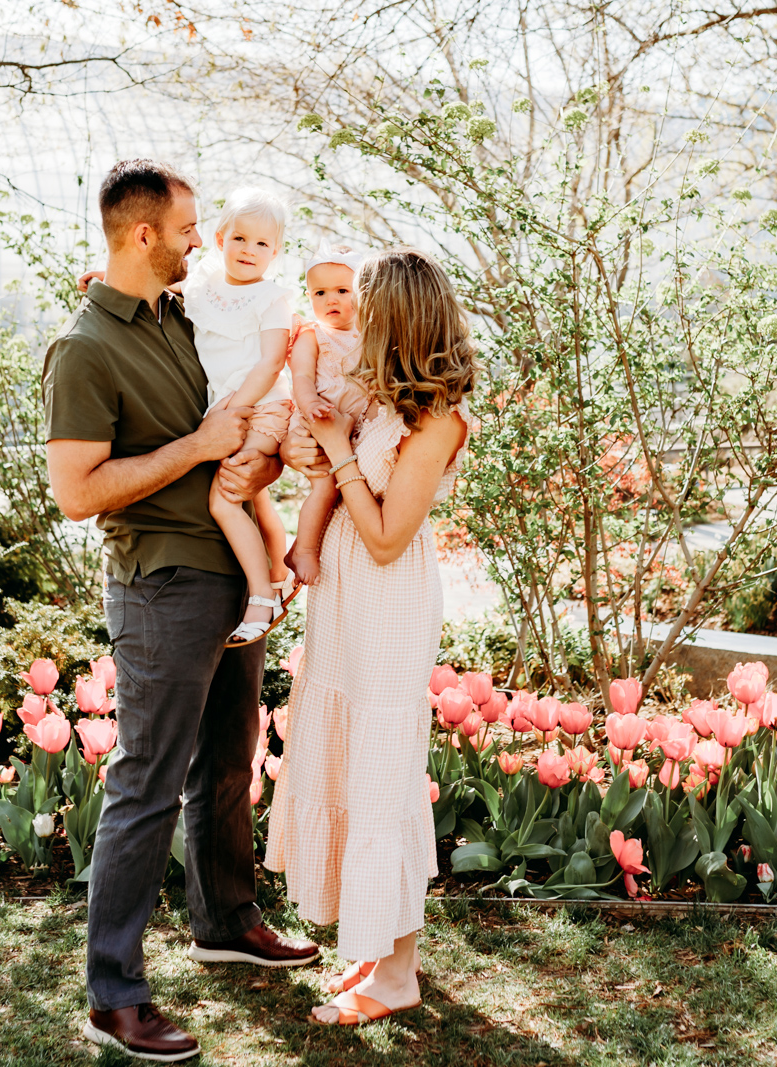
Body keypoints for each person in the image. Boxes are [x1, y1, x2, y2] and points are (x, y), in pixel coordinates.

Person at [44, 158, 319, 1063]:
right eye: (187, 227)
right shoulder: (85, 348)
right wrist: (198, 446)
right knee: (146, 781)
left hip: (234, 572)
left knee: (231, 760)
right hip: (163, 580)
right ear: (142, 234)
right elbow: (78, 492)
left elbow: (256, 385)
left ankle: (225, 920)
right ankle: (114, 994)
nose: (201, 240)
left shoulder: (181, 310)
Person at [266, 247, 479, 1025]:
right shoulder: (388, 399)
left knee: (382, 773)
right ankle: (380, 944)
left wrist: (333, 456)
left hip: (386, 594)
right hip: (350, 594)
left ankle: (399, 974)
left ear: (400, 321)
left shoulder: (441, 418)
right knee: (353, 760)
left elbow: (389, 536)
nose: (354, 316)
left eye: (370, 309)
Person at [179, 188, 297, 644]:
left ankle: (261, 599)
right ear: (219, 237)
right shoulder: (205, 285)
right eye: (240, 239)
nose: (250, 250)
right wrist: (107, 278)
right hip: (227, 409)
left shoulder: (272, 299)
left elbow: (270, 363)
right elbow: (161, 286)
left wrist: (237, 407)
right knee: (258, 498)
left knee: (225, 499)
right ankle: (278, 572)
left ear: (276, 251)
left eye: (262, 244)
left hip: (263, 406)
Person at [284, 247, 370, 586]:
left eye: (341, 291)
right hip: (319, 417)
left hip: (355, 425)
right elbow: (301, 377)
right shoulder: (312, 334)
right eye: (320, 293)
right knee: (325, 484)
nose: (330, 300)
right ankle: (302, 549)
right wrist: (309, 405)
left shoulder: (369, 334)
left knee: (354, 485)